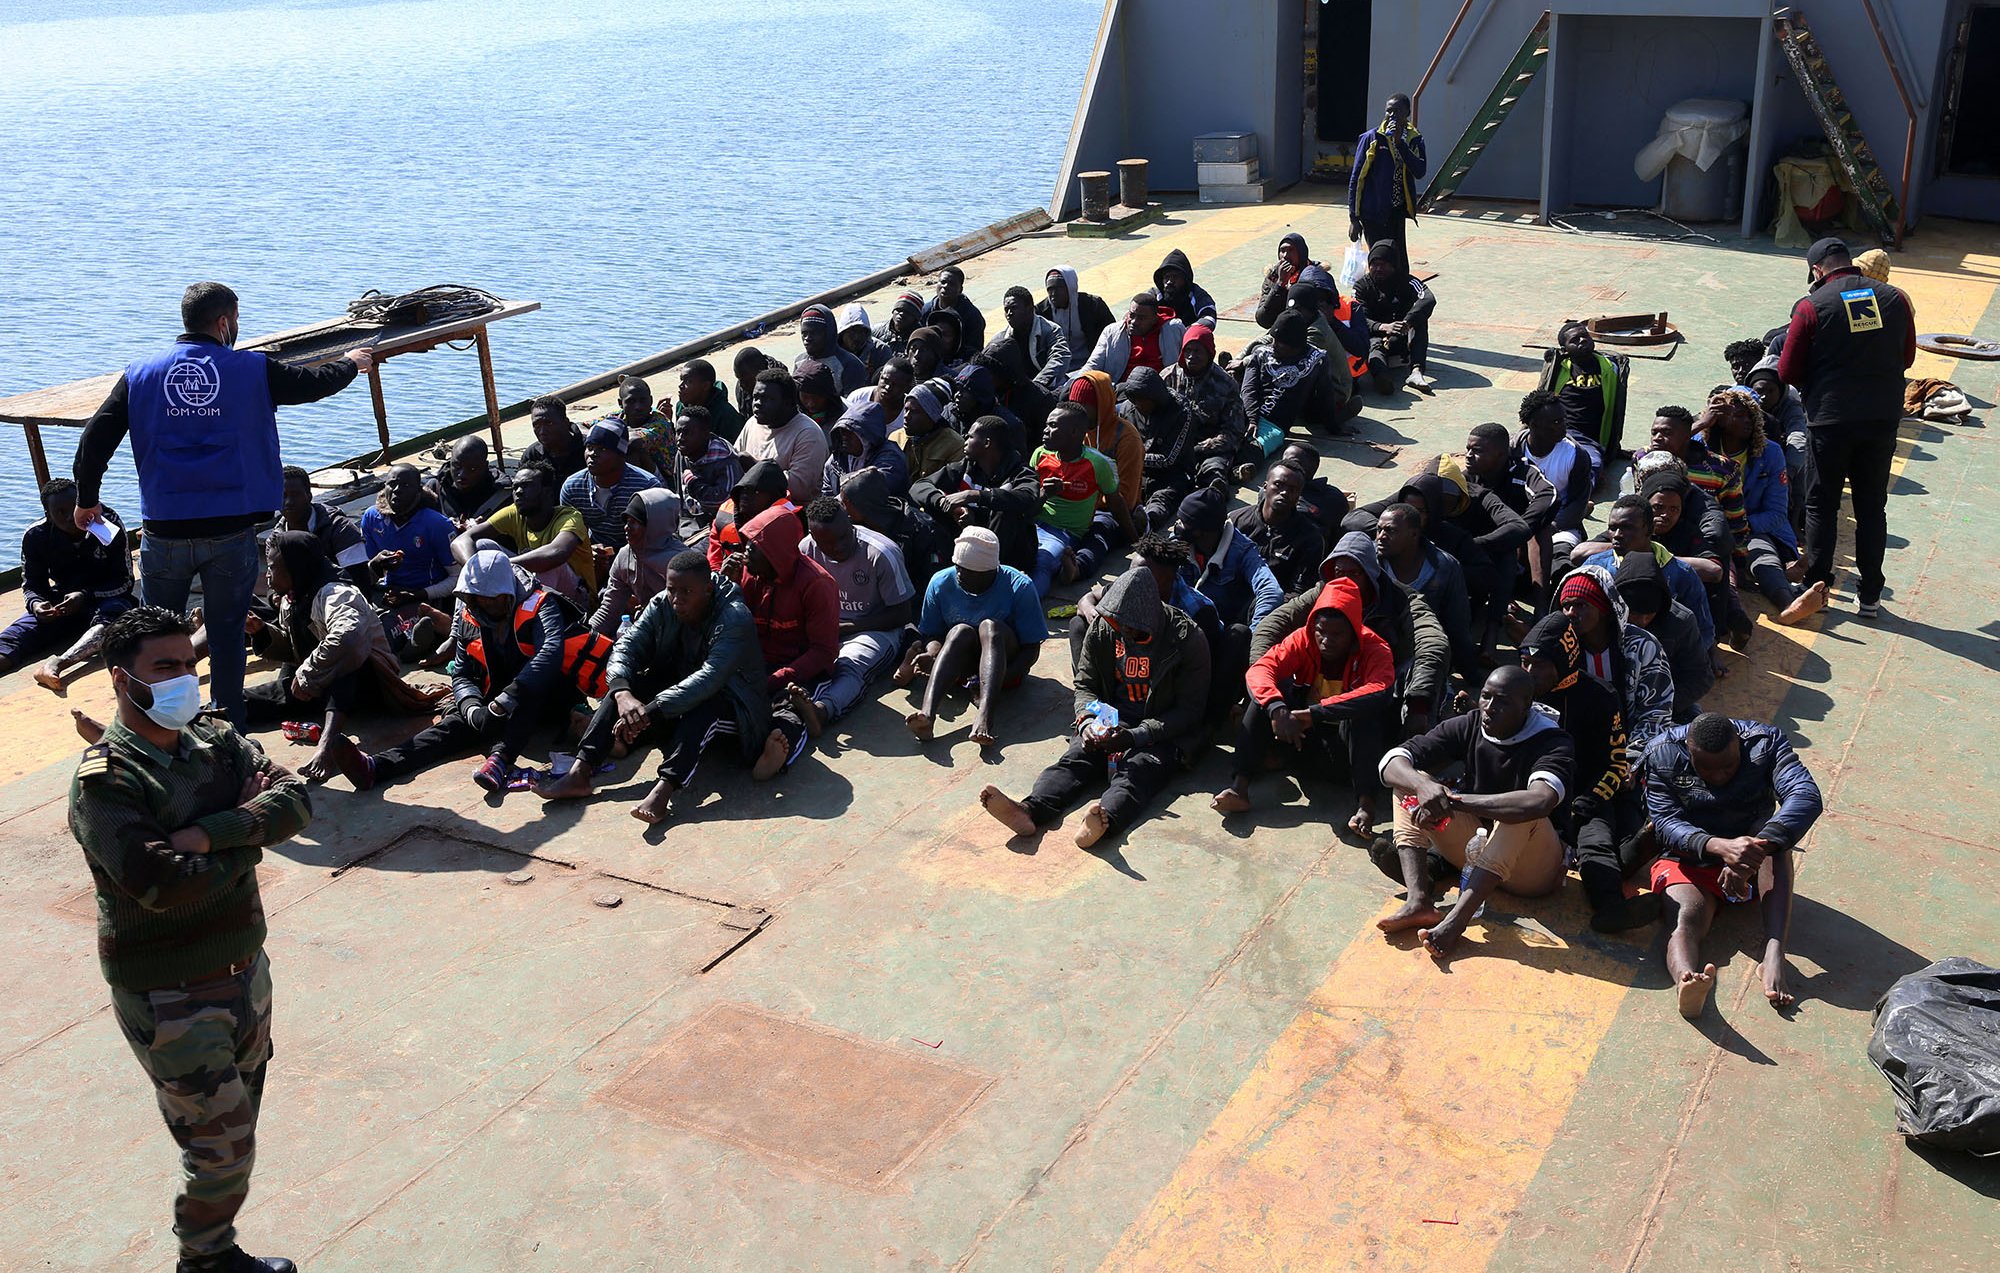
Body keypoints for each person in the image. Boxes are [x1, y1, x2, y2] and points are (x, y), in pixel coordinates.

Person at [67, 605, 311, 1273]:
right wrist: (248, 835)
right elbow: (161, 883)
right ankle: (205, 1262)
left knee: (238, 1129)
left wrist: (210, 832)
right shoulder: (108, 781)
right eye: (165, 668)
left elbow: (295, 799)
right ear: (123, 680)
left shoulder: (214, 739)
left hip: (243, 972)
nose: (185, 680)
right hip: (171, 994)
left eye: (190, 665)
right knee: (221, 1149)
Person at [72, 281, 372, 729]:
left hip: (164, 531)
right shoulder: (253, 368)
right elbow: (312, 384)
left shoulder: (140, 373)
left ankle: (155, 725)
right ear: (224, 322)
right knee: (228, 632)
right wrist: (351, 363)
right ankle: (228, 728)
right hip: (230, 534)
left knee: (155, 637)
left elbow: (95, 438)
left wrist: (87, 500)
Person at [324, 550, 607, 795]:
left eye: (485, 599)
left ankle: (501, 759)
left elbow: (548, 656)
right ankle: (377, 767)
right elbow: (461, 672)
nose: (477, 605)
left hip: (546, 696)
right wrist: (472, 707)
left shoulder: (541, 605)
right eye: (472, 599)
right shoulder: (471, 613)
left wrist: (505, 699)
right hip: (496, 699)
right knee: (453, 726)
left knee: (529, 692)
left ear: (504, 594)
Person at [533, 552, 777, 823]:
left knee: (708, 706)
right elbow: (626, 647)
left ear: (708, 589)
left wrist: (649, 710)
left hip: (737, 709)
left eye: (686, 592)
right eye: (672, 590)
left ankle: (665, 788)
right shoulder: (662, 604)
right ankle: (580, 771)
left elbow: (710, 678)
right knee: (624, 687)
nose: (677, 599)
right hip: (676, 699)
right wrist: (623, 693)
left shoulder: (734, 617)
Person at [983, 565, 1212, 849]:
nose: (1121, 631)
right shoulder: (1106, 628)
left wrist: (1135, 736)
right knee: (1075, 758)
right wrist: (1088, 720)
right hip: (1110, 718)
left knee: (1137, 772)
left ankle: (1103, 820)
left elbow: (1190, 712)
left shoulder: (1186, 639)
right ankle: (1030, 810)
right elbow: (1086, 685)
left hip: (1159, 730)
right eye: (1116, 624)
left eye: (1129, 627)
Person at [1375, 665, 1572, 962]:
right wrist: (1423, 785)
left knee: (1520, 811)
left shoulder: (1552, 741)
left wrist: (1454, 801)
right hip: (1479, 852)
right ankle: (1419, 900)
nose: (1490, 708)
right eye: (1487, 697)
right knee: (1411, 784)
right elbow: (1393, 761)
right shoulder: (1471, 723)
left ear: (1527, 707)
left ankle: (1456, 920)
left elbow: (1540, 801)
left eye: (1503, 702)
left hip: (1533, 871)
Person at [1645, 713, 1823, 1017]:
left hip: (1754, 851)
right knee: (1685, 916)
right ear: (1688, 750)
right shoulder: (1662, 752)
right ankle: (1687, 981)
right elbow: (1663, 822)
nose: (1718, 777)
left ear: (1739, 746)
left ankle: (1773, 951)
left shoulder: (1765, 743)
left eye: (1729, 766)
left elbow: (1805, 795)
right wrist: (1719, 847)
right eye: (1706, 769)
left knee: (1779, 845)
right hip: (1692, 856)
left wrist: (1752, 852)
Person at [244, 532, 440, 780]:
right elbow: (295, 649)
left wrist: (307, 674)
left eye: (272, 567)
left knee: (345, 666)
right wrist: (262, 632)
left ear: (295, 567)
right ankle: (209, 715)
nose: (268, 575)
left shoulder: (336, 593)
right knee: (262, 697)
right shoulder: (291, 598)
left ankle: (326, 747)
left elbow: (348, 637)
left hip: (367, 684)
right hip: (321, 681)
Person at [1214, 577, 1393, 836]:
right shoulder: (1303, 639)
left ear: (1354, 631)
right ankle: (1239, 787)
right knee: (1265, 696)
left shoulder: (1376, 649)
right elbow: (1262, 669)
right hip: (1300, 741)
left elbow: (1379, 690)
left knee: (1363, 714)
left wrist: (1315, 713)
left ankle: (1366, 806)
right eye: (1321, 631)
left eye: (1337, 634)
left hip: (1348, 756)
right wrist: (1277, 708)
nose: (1326, 640)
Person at [1518, 613, 1653, 933]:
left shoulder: (1601, 697)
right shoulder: (1515, 687)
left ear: (1563, 662)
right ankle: (1430, 866)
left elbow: (1616, 763)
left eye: (1539, 665)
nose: (1529, 672)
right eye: (1524, 662)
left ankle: (1611, 907)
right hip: (1526, 789)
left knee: (1596, 843)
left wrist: (1589, 801)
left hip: (1584, 796)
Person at [1254, 533, 1452, 741]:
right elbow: (1273, 623)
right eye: (1339, 572)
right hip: (1328, 680)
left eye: (1354, 573)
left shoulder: (1402, 600)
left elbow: (1433, 643)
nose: (1345, 580)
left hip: (1383, 679)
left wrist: (1418, 703)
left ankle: (1413, 746)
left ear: (1369, 573)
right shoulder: (1324, 591)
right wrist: (1263, 681)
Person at [896, 527, 1047, 747]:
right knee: (960, 631)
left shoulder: (1019, 587)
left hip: (1005, 672)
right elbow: (933, 632)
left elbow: (1031, 650)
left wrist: (988, 682)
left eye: (968, 572)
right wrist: (932, 653)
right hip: (961, 673)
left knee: (990, 627)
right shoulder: (941, 582)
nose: (959, 574)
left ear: (990, 572)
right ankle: (927, 715)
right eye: (958, 568)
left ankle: (985, 716)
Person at [717, 505, 829, 779]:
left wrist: (778, 678)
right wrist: (724, 586)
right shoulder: (744, 574)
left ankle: (780, 752)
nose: (745, 553)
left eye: (753, 548)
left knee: (788, 709)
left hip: (798, 670)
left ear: (775, 553)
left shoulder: (816, 583)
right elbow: (723, 626)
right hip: (753, 664)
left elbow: (823, 652)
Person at [788, 498, 916, 737]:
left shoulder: (881, 553)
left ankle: (822, 711)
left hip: (875, 629)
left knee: (850, 665)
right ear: (814, 538)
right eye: (827, 543)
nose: (838, 546)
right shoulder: (805, 551)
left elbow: (902, 613)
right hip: (825, 627)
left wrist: (847, 627)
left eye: (844, 536)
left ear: (850, 523)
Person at [1699, 386, 1827, 624]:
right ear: (1718, 418)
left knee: (1761, 556)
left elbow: (1776, 513)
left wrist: (1735, 525)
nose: (1747, 421)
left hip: (1751, 528)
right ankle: (1788, 571)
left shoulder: (1771, 453)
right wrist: (1701, 424)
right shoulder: (1698, 447)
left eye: (1752, 415)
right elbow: (1662, 455)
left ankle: (1789, 605)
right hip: (1701, 525)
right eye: (1738, 415)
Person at [3, 480, 136, 690]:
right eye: (60, 512)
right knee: (13, 637)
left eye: (74, 508)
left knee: (113, 621)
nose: (69, 517)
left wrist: (85, 595)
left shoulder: (108, 524)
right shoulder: (35, 536)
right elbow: (32, 585)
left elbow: (125, 582)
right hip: (62, 601)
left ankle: (59, 663)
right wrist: (37, 604)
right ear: (48, 514)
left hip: (106, 598)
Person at [1172, 487, 1282, 710]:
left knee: (1238, 636)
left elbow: (1271, 591)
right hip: (1178, 630)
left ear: (1203, 531)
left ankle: (1211, 716)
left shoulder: (1241, 550)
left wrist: (1253, 637)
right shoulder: (1177, 543)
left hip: (1217, 637)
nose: (1177, 527)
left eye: (1184, 522)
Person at [1556, 565, 1674, 760]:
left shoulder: (1643, 646)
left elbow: (1655, 713)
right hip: (1574, 751)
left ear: (1603, 609)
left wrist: (1630, 759)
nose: (1570, 613)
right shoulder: (1559, 649)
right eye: (1566, 606)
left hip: (1633, 749)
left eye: (1580, 605)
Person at [1578, 495, 1717, 648]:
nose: (1617, 535)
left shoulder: (1681, 574)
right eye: (1612, 528)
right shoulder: (1595, 568)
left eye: (1627, 527)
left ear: (1649, 529)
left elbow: (1704, 632)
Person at [453, 462, 594, 608]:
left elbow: (557, 552)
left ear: (547, 492)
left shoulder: (570, 518)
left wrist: (499, 566)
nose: (518, 492)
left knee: (548, 565)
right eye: (515, 487)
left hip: (577, 601)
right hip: (530, 587)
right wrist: (477, 567)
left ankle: (523, 618)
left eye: (526, 486)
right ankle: (470, 617)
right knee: (482, 546)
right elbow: (461, 541)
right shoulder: (514, 512)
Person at [911, 414, 1040, 573]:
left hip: (1007, 556)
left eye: (971, 436)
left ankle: (990, 573)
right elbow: (919, 486)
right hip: (967, 544)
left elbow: (1028, 498)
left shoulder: (1020, 473)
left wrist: (975, 495)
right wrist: (949, 506)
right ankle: (940, 567)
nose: (964, 438)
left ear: (987, 443)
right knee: (932, 506)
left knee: (1006, 510)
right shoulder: (966, 466)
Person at [1373, 500, 1475, 684]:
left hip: (1422, 651)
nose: (1381, 536)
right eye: (1379, 529)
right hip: (1374, 652)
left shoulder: (1445, 567)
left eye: (1391, 530)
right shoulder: (1369, 563)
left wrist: (1471, 675)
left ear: (1414, 534)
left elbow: (1458, 624)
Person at [1030, 402, 1122, 596]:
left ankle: (1022, 607)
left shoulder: (1098, 464)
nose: (1045, 431)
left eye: (1053, 426)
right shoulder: (1040, 454)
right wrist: (1044, 495)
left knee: (1043, 561)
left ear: (1074, 432)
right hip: (1032, 523)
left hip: (1063, 533)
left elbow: (1116, 502)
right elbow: (1027, 497)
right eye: (1047, 425)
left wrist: (1135, 538)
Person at [558, 422, 664, 588]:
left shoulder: (646, 487)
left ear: (621, 454)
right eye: (590, 447)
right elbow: (570, 535)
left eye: (603, 449)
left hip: (639, 555)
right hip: (596, 555)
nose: (592, 454)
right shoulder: (572, 487)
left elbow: (657, 539)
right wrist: (588, 551)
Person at [1614, 551, 1711, 722]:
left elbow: (1699, 677)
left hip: (1667, 703)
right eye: (1635, 614)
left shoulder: (1681, 621)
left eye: (1649, 615)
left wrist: (1660, 705)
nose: (1642, 622)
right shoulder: (1602, 615)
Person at [587, 488, 688, 637]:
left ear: (655, 524)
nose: (627, 528)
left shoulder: (682, 563)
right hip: (647, 630)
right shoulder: (625, 556)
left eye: (635, 522)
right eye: (627, 521)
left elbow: (691, 616)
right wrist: (586, 635)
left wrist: (649, 616)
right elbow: (609, 610)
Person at [1239, 310, 1352, 442]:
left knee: (1252, 449)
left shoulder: (1316, 359)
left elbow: (1325, 394)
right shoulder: (1261, 353)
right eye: (1274, 339)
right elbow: (1249, 388)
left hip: (1275, 424)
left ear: (1295, 345)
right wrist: (1252, 418)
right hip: (1249, 412)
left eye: (1280, 342)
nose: (1273, 345)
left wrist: (1333, 427)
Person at [361, 464, 460, 610]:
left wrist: (416, 595)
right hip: (388, 591)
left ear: (418, 491)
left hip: (428, 595)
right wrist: (375, 565)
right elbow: (364, 574)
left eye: (405, 485)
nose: (397, 490)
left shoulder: (437, 524)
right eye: (392, 484)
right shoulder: (371, 517)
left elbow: (457, 578)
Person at [1348, 93, 1426, 275]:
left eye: (1396, 111)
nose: (1391, 115)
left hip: (1396, 212)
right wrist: (1354, 218)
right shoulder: (1372, 138)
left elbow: (1420, 171)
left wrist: (1400, 144)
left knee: (1399, 264)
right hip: (1373, 213)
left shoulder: (1414, 139)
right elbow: (1356, 179)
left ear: (1406, 112)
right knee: (1379, 261)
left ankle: (1401, 299)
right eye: (1388, 111)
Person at [1539, 320, 1626, 478]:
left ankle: (1577, 496)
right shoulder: (1558, 369)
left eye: (1584, 335)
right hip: (1562, 433)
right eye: (1575, 340)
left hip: (1590, 440)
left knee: (1593, 466)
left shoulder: (1611, 367)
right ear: (1565, 350)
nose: (1582, 340)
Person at [1514, 390, 1592, 567]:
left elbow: (1576, 503)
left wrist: (1549, 528)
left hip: (1558, 523)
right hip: (1519, 521)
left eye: (1563, 419)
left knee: (1560, 560)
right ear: (1533, 425)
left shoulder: (1576, 455)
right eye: (1556, 422)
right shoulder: (1513, 451)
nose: (1563, 425)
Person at [1167, 324, 1252, 486]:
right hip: (1173, 445)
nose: (1191, 356)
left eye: (1198, 351)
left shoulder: (1226, 384)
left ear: (1209, 353)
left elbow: (1233, 432)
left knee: (1213, 474)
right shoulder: (1168, 377)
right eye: (1188, 350)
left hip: (1211, 449)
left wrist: (1201, 448)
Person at [1120, 367, 1200, 532]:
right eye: (1134, 400)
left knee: (1163, 499)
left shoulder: (1181, 412)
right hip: (1136, 474)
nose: (1138, 405)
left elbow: (1169, 459)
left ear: (1155, 397)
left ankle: (1147, 522)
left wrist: (1132, 457)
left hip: (1172, 475)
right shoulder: (1128, 409)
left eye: (1142, 400)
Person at [1228, 460, 1325, 596]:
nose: (1284, 492)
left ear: (1299, 496)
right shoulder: (1235, 521)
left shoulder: (1310, 538)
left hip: (1273, 607)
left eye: (1293, 489)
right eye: (1278, 485)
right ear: (1265, 486)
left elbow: (1299, 592)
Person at [1351, 240, 1437, 392]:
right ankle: (1382, 379)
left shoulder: (1408, 282)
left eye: (1383, 264)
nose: (1378, 269)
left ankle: (1416, 372)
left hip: (1403, 339)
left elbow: (1428, 299)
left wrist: (1407, 322)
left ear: (1393, 266)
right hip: (1375, 338)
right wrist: (1382, 327)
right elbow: (1356, 317)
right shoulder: (1361, 287)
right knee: (1373, 347)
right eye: (1374, 264)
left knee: (1420, 321)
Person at [734, 369, 828, 508]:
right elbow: (734, 461)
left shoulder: (808, 434)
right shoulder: (753, 423)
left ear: (788, 402)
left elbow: (799, 490)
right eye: (756, 397)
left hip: (792, 512)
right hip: (751, 506)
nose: (758, 403)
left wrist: (756, 467)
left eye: (767, 399)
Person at [840, 466, 944, 590]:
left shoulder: (920, 529)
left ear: (864, 504)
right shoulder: (854, 525)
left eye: (845, 503)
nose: (843, 509)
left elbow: (933, 580)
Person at [276, 466, 370, 590]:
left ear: (309, 495)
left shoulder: (341, 529)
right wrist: (274, 598)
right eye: (283, 496)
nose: (288, 502)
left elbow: (360, 582)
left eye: (295, 495)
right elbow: (275, 579)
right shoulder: (277, 535)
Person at [705, 460, 795, 571]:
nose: (745, 496)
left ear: (773, 497)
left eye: (755, 491)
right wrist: (723, 577)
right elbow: (713, 564)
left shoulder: (790, 522)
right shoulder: (723, 520)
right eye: (743, 490)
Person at [1080, 291, 1185, 385]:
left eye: (1142, 318)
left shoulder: (1174, 330)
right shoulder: (1112, 332)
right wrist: (1075, 382)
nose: (1134, 321)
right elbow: (1093, 364)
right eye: (1132, 315)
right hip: (1119, 390)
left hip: (1159, 391)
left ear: (1154, 318)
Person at [669, 404, 745, 529]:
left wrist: (693, 483)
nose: (680, 438)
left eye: (687, 433)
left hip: (716, 526)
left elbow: (724, 501)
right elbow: (680, 497)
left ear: (705, 434)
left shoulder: (726, 461)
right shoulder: (683, 453)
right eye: (678, 432)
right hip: (686, 523)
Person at [985, 285, 1070, 394]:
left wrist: (1038, 385)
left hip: (1049, 388)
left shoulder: (1050, 330)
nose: (1009, 313)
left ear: (1030, 309)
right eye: (1006, 309)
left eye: (1014, 308)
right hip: (1015, 392)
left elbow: (1061, 357)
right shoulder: (1000, 339)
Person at [822, 399, 910, 498]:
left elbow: (872, 491)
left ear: (866, 435)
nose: (844, 436)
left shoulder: (891, 458)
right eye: (841, 431)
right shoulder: (835, 461)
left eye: (850, 432)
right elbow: (827, 495)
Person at [1038, 267, 1115, 378]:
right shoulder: (1041, 312)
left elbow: (1111, 337)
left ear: (1070, 287)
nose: (1053, 294)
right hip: (1057, 368)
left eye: (1059, 288)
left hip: (1092, 363)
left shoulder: (1093, 306)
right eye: (1050, 289)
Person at [599, 375, 673, 478]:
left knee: (633, 452)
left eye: (643, 401)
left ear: (651, 401)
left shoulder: (660, 423)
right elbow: (581, 427)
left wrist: (601, 438)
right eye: (631, 401)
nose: (638, 407)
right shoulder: (616, 416)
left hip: (663, 479)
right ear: (621, 403)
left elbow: (633, 441)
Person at [427, 435, 509, 528]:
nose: (462, 475)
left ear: (485, 466)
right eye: (457, 466)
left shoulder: (502, 495)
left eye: (472, 469)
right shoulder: (435, 488)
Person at [1280, 442, 1352, 541]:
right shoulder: (1271, 490)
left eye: (1293, 462)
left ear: (1312, 467)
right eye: (1283, 462)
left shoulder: (1333, 498)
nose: (1286, 466)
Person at [897, 379, 966, 482]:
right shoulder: (895, 437)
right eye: (906, 409)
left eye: (914, 412)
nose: (906, 416)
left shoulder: (955, 446)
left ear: (931, 416)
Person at [794, 303, 869, 396]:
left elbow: (855, 405)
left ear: (828, 333)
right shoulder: (800, 361)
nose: (807, 338)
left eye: (814, 333)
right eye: (804, 333)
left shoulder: (850, 365)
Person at [1254, 232, 1321, 329]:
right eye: (1282, 251)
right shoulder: (1273, 277)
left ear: (1301, 253)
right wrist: (1280, 284)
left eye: (1291, 250)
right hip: (1282, 329)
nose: (1285, 255)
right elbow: (1263, 319)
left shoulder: (1315, 275)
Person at [674, 358, 744, 444]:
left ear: (705, 386)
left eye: (688, 381)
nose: (680, 385)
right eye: (681, 379)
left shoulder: (726, 415)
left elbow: (733, 450)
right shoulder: (681, 407)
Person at [924, 265, 987, 354]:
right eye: (943, 282)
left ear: (960, 290)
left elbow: (974, 349)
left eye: (952, 284)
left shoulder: (972, 316)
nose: (945, 286)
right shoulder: (926, 310)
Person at [1152, 248, 1217, 327]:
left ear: (1185, 279)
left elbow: (1209, 318)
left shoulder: (1198, 295)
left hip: (1189, 336)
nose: (1169, 282)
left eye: (1175, 277)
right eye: (1166, 277)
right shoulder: (1154, 294)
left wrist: (1189, 331)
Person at [837, 303, 894, 384]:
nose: (857, 337)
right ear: (842, 333)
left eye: (862, 332)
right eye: (852, 331)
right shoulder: (831, 351)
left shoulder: (881, 351)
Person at [730, 347, 784, 420]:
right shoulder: (741, 390)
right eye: (739, 378)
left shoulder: (781, 387)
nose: (742, 385)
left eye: (746, 380)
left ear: (760, 371)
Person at [793, 359, 844, 433]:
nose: (811, 403)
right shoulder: (790, 416)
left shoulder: (843, 417)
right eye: (805, 397)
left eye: (816, 397)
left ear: (828, 395)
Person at [879, 291, 928, 356]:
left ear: (916, 319)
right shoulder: (877, 330)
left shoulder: (921, 338)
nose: (902, 314)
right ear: (893, 311)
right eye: (899, 310)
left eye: (907, 312)